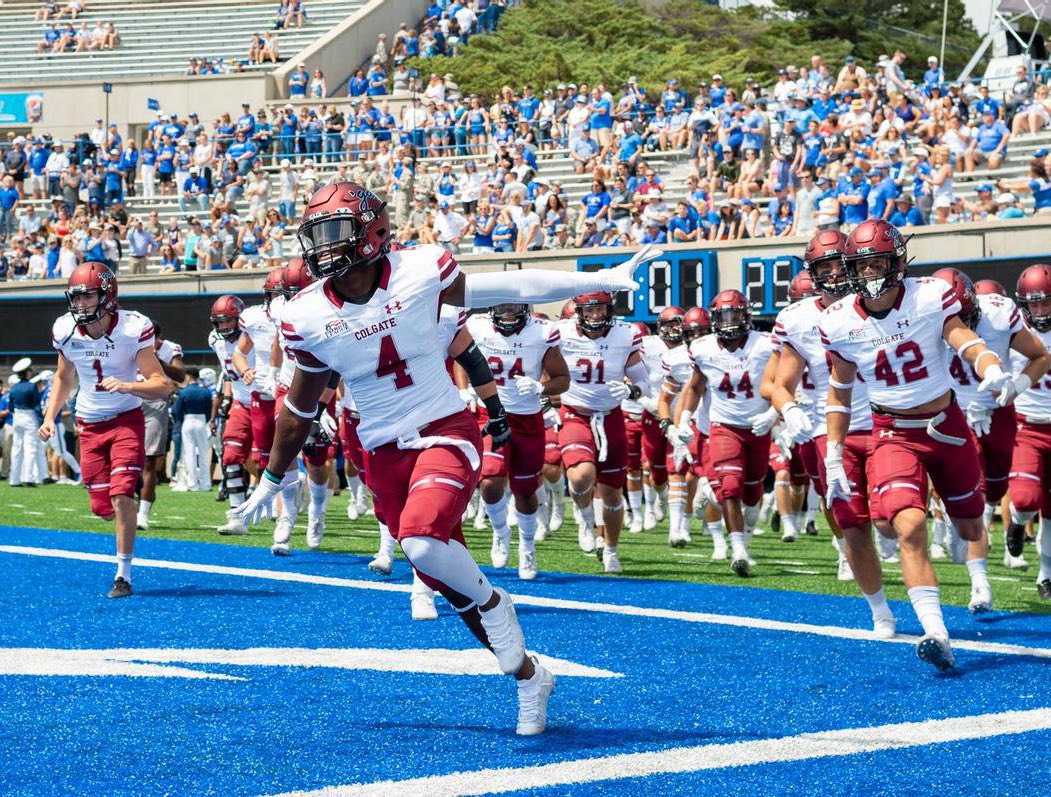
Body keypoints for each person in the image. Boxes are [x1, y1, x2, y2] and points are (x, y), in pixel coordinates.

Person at [231, 182, 655, 735]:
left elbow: (508, 285)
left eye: (336, 232)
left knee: (422, 541)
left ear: (372, 231)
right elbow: (299, 406)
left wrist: (596, 279)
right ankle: (527, 673)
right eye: (318, 235)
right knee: (443, 573)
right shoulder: (306, 313)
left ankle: (497, 604)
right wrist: (272, 475)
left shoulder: (422, 269)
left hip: (442, 429)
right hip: (381, 450)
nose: (325, 247)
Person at [817, 219, 1020, 670]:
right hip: (893, 432)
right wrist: (833, 451)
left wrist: (990, 367)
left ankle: (973, 569)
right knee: (909, 526)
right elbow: (839, 390)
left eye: (877, 262)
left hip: (946, 424)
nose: (869, 273)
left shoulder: (929, 295)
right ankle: (936, 631)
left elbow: (962, 337)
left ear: (897, 262)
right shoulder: (838, 320)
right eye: (861, 264)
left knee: (969, 527)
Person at [767, 232, 896, 635]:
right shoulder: (797, 318)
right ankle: (879, 609)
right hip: (828, 426)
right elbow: (776, 382)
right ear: (813, 273)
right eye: (826, 267)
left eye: (842, 264)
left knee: (892, 519)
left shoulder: (886, 302)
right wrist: (787, 409)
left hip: (884, 418)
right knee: (846, 515)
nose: (836, 274)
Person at [39, 263, 172, 598]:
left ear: (108, 295)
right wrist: (49, 416)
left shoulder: (132, 328)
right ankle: (123, 485)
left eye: (88, 297)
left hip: (126, 419)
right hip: (89, 424)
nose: (80, 305)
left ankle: (123, 575)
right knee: (102, 508)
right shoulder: (65, 329)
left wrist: (128, 386)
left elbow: (162, 385)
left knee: (121, 496)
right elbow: (63, 377)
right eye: (77, 298)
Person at [936, 267, 1048, 603]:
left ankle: (964, 522)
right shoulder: (924, 319)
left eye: (967, 317)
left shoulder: (999, 314)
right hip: (955, 413)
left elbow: (1039, 356)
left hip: (999, 413)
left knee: (996, 492)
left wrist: (1015, 388)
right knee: (976, 493)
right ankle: (979, 581)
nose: (962, 328)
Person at [672, 290, 775, 577]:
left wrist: (774, 413)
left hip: (757, 427)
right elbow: (694, 386)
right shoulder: (703, 348)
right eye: (723, 316)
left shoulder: (765, 345)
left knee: (753, 493)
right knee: (730, 487)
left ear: (747, 316)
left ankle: (746, 538)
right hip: (723, 426)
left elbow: (783, 380)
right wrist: (683, 419)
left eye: (735, 315)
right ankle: (738, 549)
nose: (729, 322)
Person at [466, 304, 569, 579]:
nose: (508, 312)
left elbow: (563, 378)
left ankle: (527, 545)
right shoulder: (477, 326)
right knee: (488, 478)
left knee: (525, 489)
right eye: (502, 305)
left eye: (513, 306)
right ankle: (500, 531)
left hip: (527, 419)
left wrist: (541, 387)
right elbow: (458, 356)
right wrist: (464, 388)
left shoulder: (541, 331)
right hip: (491, 413)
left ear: (525, 308)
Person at [556, 292, 650, 572]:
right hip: (575, 414)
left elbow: (643, 381)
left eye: (600, 308)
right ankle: (584, 515)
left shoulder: (625, 334)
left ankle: (611, 549)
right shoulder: (560, 333)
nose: (595, 315)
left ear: (610, 309)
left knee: (612, 494)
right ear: (578, 311)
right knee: (582, 475)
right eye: (590, 309)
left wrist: (631, 390)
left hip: (611, 417)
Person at [1008, 264, 1051, 598]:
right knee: (1024, 499)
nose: (1038, 310)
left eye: (1044, 302)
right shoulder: (1014, 330)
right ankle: (1017, 521)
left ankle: (1045, 575)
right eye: (1032, 303)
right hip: (1026, 426)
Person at [208, 295, 255, 535]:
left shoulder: (256, 333)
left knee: (263, 461)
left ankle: (287, 495)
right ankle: (237, 515)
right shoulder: (214, 340)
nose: (224, 327)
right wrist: (227, 398)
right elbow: (229, 374)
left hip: (264, 400)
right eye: (220, 322)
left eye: (229, 321)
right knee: (230, 456)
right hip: (240, 402)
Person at [136, 325, 185, 531]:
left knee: (149, 459)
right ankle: (139, 498)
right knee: (129, 459)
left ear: (159, 337)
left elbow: (181, 375)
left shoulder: (170, 349)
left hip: (155, 402)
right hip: (129, 399)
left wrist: (158, 362)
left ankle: (143, 515)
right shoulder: (129, 343)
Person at [172, 367, 214, 491]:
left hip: (188, 420)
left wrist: (181, 420)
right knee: (203, 453)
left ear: (189, 376)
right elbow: (208, 409)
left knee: (189, 452)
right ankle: (206, 483)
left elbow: (178, 410)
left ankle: (192, 483)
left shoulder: (184, 391)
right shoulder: (205, 391)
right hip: (201, 420)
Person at [8, 358, 44, 488]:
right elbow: (36, 405)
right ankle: (28, 478)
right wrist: (40, 421)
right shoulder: (31, 386)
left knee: (16, 448)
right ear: (27, 372)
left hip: (17, 416)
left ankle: (14, 479)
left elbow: (11, 407)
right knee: (30, 448)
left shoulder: (14, 387)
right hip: (29, 417)